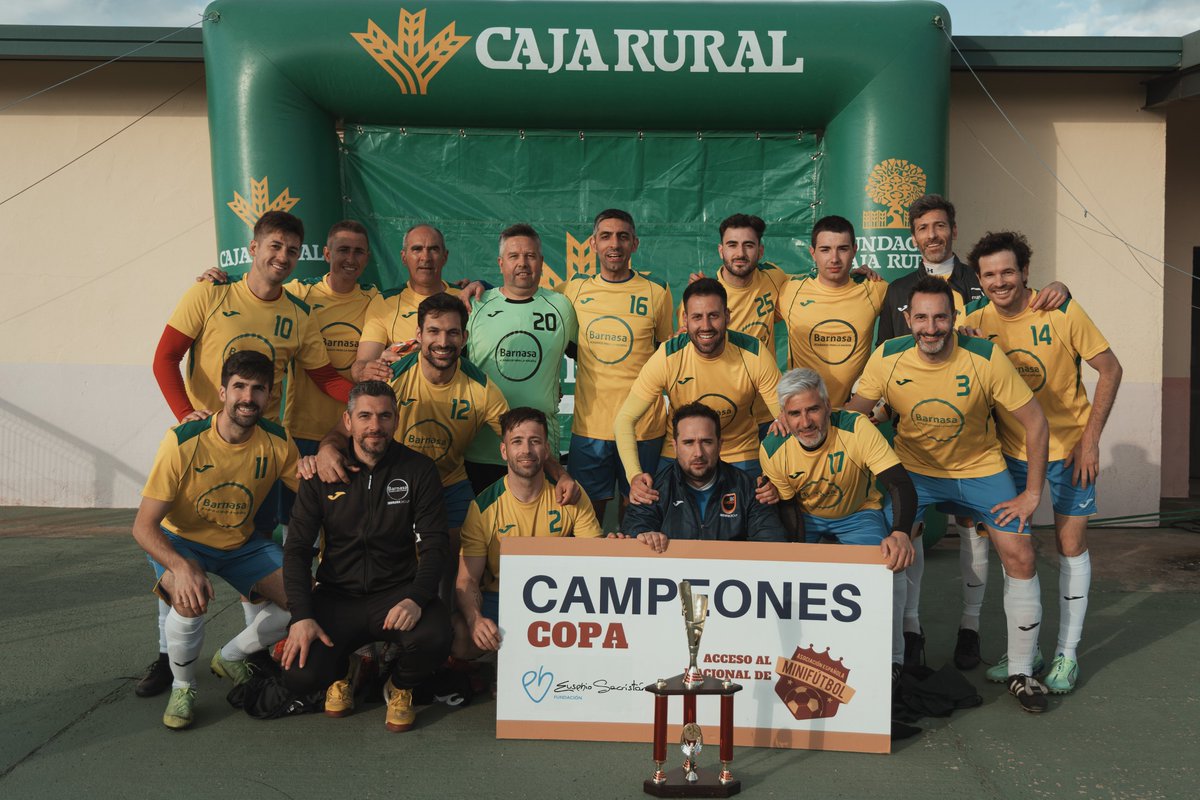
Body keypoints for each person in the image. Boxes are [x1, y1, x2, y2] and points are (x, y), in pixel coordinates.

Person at [139, 211, 351, 699]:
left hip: (261, 452)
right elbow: (164, 358)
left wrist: (372, 392)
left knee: (251, 547)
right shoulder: (211, 292)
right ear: (253, 248)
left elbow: (326, 378)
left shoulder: (298, 314)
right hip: (204, 442)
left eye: (292, 251)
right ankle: (166, 660)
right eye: (274, 246)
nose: (281, 258)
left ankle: (247, 653)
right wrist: (185, 412)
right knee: (178, 553)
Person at [873, 194, 1068, 672]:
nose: (932, 234)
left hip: (980, 442)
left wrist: (1057, 289)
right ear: (913, 235)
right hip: (917, 447)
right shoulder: (895, 290)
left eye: (940, 226)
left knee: (981, 535)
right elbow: (884, 365)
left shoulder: (979, 280)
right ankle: (910, 638)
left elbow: (1022, 300)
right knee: (903, 534)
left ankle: (972, 630)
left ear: (953, 231)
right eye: (923, 228)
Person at [844, 276, 1052, 712]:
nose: (931, 327)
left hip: (980, 469)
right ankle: (896, 659)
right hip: (915, 473)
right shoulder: (888, 356)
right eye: (921, 317)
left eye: (940, 317)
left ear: (955, 318)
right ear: (907, 319)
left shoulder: (984, 356)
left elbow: (1035, 421)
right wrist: (800, 419)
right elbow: (852, 419)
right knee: (891, 550)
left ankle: (1021, 671)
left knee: (1021, 554)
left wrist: (1032, 494)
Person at [314, 293, 579, 597]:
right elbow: (340, 430)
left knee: (454, 560)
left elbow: (519, 442)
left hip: (449, 483)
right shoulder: (391, 378)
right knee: (383, 559)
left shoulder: (482, 389)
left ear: (464, 337)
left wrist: (561, 475)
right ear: (418, 336)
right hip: (394, 480)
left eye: (453, 332)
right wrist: (326, 449)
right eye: (434, 332)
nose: (443, 341)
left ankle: (447, 617)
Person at [963, 231, 1122, 694]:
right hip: (1010, 454)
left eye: (1008, 271)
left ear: (1025, 272)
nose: (1000, 281)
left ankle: (1066, 655)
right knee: (1017, 553)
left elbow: (1110, 369)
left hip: (1071, 450)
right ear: (980, 279)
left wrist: (1091, 440)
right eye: (990, 274)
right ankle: (1025, 649)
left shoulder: (1060, 310)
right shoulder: (973, 322)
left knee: (1071, 545)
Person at [131, 351, 299, 729]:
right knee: (190, 598)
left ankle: (231, 656)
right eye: (239, 387)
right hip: (183, 541)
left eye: (258, 389)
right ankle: (183, 686)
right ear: (222, 392)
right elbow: (143, 526)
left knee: (303, 596)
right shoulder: (182, 440)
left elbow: (312, 490)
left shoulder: (277, 440)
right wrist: (179, 565)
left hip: (241, 544)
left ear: (269, 396)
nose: (247, 397)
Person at [281, 381, 451, 732]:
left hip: (395, 594)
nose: (375, 425)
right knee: (299, 675)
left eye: (384, 416)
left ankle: (400, 686)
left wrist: (417, 598)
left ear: (396, 420)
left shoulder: (418, 470)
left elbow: (434, 545)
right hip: (337, 596)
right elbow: (297, 550)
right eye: (365, 416)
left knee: (437, 635)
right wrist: (301, 615)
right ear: (348, 421)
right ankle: (344, 671)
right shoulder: (320, 474)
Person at [759, 368, 917, 679]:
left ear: (829, 407)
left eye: (813, 409)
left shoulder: (856, 427)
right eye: (795, 414)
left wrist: (900, 533)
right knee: (788, 579)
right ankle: (795, 654)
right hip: (808, 517)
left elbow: (899, 484)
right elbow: (790, 507)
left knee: (889, 565)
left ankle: (893, 659)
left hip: (859, 513)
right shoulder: (773, 449)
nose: (805, 422)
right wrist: (796, 554)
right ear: (783, 417)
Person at [455, 407, 603, 658]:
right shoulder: (483, 508)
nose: (526, 450)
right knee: (460, 637)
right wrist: (475, 620)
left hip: (561, 601)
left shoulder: (570, 496)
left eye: (535, 441)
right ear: (504, 451)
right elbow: (467, 579)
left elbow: (597, 560)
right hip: (502, 598)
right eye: (517, 442)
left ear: (546, 450)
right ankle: (494, 664)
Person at [616, 278, 781, 502]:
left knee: (766, 509)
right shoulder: (668, 355)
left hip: (739, 452)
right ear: (685, 319)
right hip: (680, 454)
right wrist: (634, 476)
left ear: (727, 316)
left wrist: (776, 477)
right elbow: (624, 419)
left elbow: (785, 420)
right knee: (649, 515)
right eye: (697, 317)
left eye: (713, 315)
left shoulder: (753, 352)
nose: (706, 326)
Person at [558, 209, 675, 525]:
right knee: (586, 520)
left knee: (638, 516)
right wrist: (479, 285)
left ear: (634, 243)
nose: (615, 244)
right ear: (593, 244)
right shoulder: (574, 290)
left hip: (644, 427)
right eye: (606, 236)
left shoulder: (657, 292)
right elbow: (527, 299)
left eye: (623, 236)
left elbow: (668, 358)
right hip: (590, 428)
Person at [463, 224, 577, 494]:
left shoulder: (562, 306)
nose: (523, 263)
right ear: (501, 263)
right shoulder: (475, 305)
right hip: (482, 447)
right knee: (482, 533)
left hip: (539, 451)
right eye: (514, 256)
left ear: (541, 262)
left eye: (530, 256)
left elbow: (591, 357)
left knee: (537, 534)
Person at [684, 213, 790, 438]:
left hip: (766, 415)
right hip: (719, 418)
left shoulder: (774, 276)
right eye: (732, 245)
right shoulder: (703, 298)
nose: (740, 254)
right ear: (721, 250)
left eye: (748, 245)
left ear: (760, 251)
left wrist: (853, 277)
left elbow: (813, 287)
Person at [621, 403, 787, 545]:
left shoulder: (749, 489)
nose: (698, 452)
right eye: (688, 443)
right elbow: (633, 535)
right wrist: (643, 538)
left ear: (720, 444)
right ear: (675, 446)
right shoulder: (653, 490)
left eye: (706, 442)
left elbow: (772, 545)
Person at [777, 215, 888, 407]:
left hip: (853, 413)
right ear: (813, 253)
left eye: (843, 249)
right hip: (804, 413)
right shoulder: (789, 290)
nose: (834, 259)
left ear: (854, 250)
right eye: (825, 250)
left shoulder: (876, 289)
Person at [352, 224, 461, 381]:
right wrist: (368, 371)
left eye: (434, 249)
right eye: (417, 249)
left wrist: (483, 284)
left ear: (445, 256)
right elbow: (362, 364)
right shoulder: (384, 303)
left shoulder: (465, 297)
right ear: (404, 257)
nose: (425, 257)